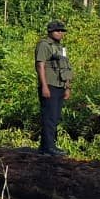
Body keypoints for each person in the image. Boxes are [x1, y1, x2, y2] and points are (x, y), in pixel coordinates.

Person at [34, 20, 73, 156]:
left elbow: (66, 67)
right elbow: (40, 65)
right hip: (49, 85)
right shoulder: (44, 45)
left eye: (62, 31)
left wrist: (67, 87)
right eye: (58, 31)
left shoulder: (61, 48)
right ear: (50, 32)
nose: (60, 33)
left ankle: (48, 146)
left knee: (55, 117)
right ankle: (48, 147)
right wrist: (44, 86)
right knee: (49, 117)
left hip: (60, 85)